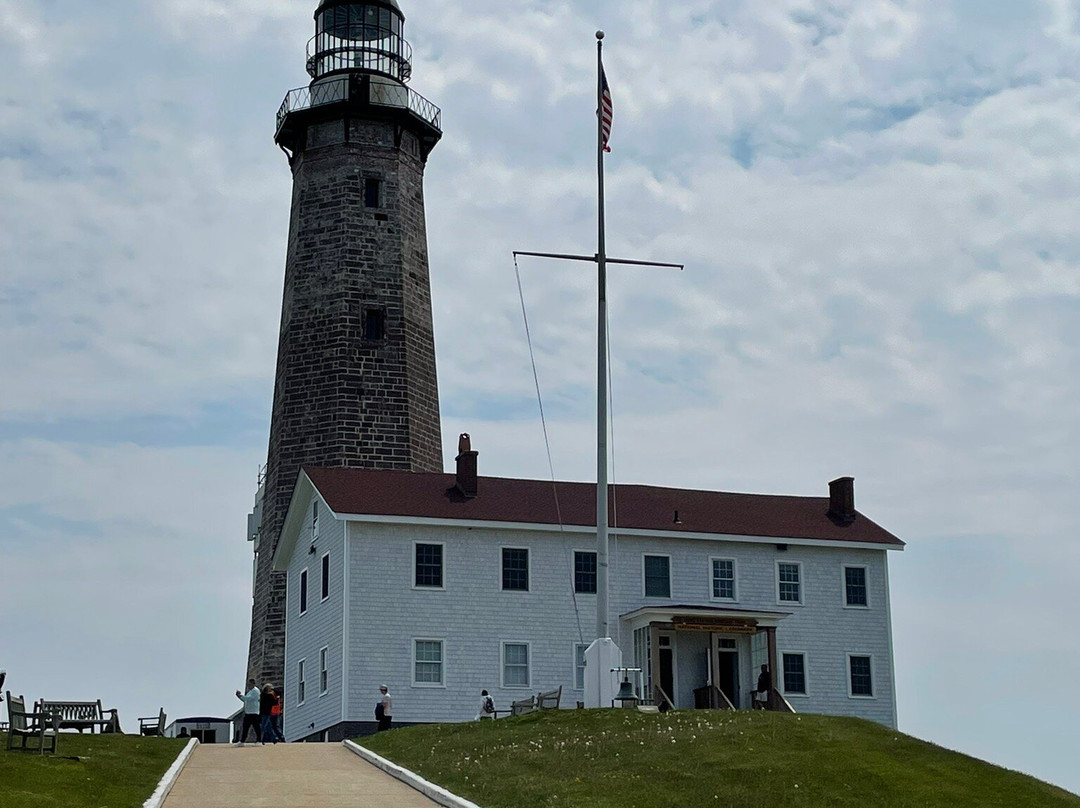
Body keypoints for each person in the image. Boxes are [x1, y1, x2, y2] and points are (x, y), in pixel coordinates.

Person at [235, 678, 262, 745]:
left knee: (256, 727)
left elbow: (248, 699)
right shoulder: (250, 691)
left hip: (254, 712)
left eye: (249, 684)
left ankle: (259, 741)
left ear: (253, 684)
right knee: (245, 727)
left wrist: (240, 695)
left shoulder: (255, 691)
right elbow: (245, 700)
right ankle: (242, 741)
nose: (248, 686)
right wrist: (239, 697)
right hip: (248, 713)